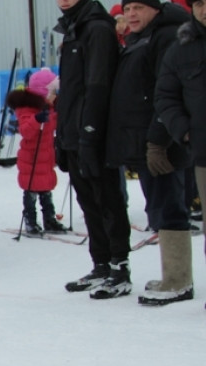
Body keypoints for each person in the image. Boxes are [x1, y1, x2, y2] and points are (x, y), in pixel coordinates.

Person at [106, 1, 192, 301]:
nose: (131, 14)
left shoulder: (165, 36)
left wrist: (159, 141)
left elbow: (165, 92)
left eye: (138, 7)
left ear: (155, 9)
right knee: (159, 207)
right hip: (143, 141)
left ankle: (179, 280)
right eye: (127, 8)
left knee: (169, 208)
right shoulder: (140, 38)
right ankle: (172, 276)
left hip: (162, 143)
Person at [54, 0, 133, 297]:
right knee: (88, 202)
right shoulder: (73, 28)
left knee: (108, 200)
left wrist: (89, 133)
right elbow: (70, 89)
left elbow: (98, 86)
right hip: (73, 133)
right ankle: (100, 263)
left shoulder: (97, 28)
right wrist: (62, 136)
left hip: (95, 134)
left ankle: (119, 267)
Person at [152, 0, 206, 306]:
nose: (204, 8)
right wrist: (185, 131)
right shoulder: (181, 49)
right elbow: (166, 96)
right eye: (199, 2)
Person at [7, 69, 62, 236]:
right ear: (43, 92)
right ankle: (30, 221)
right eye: (53, 91)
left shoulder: (51, 108)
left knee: (46, 189)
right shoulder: (27, 110)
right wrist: (37, 120)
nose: (55, 95)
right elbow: (25, 130)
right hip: (31, 158)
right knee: (31, 190)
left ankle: (50, 220)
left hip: (45, 157)